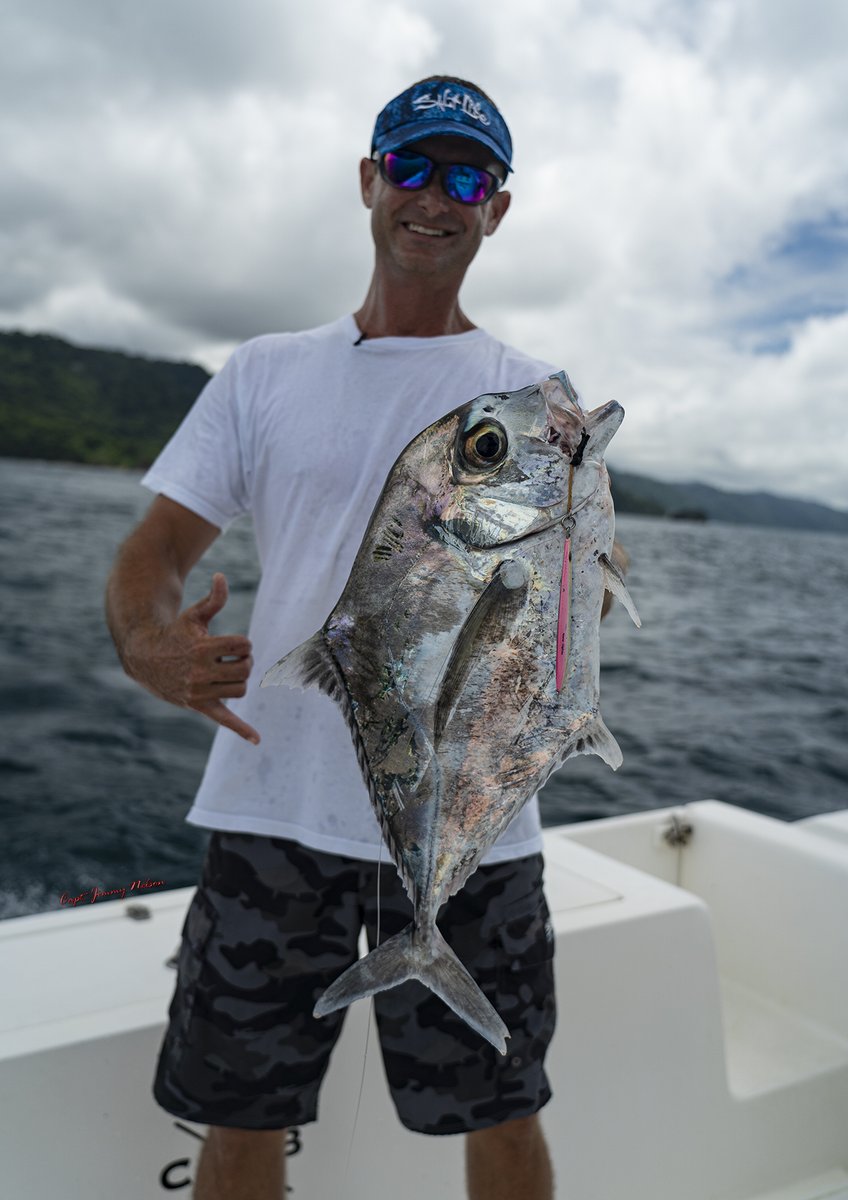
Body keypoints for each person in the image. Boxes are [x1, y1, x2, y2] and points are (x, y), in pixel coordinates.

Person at [106, 76, 562, 1200]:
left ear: (496, 208)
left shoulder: (530, 397)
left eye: (466, 177)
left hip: (471, 822)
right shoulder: (265, 372)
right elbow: (156, 549)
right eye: (412, 167)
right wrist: (144, 643)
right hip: (276, 811)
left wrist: (583, 570)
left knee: (502, 1117)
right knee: (238, 1121)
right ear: (368, 180)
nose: (435, 197)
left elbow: (570, 589)